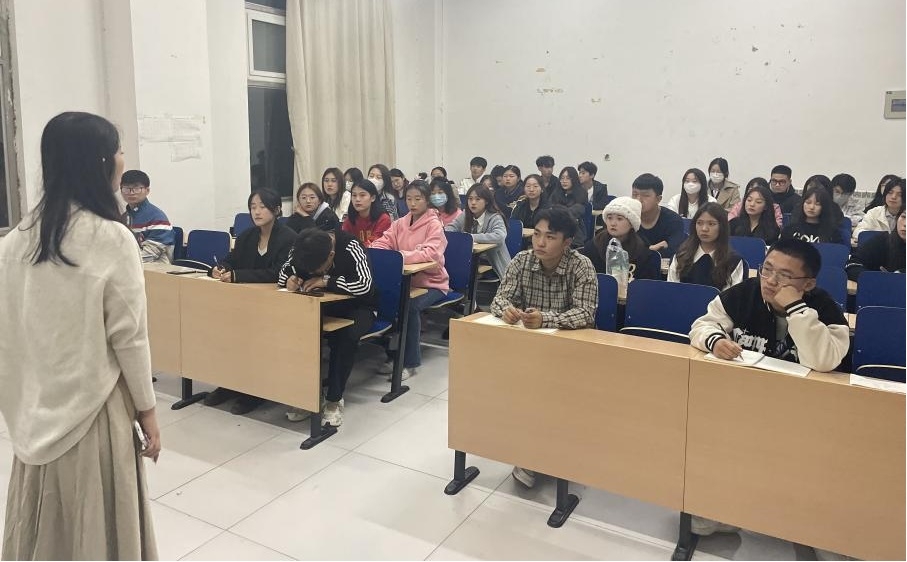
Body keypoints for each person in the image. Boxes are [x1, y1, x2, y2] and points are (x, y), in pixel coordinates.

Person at [0, 111, 159, 559]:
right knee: (96, 527)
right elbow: (130, 339)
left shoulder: (15, 241)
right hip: (94, 413)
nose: (124, 160)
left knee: (43, 526)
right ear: (101, 161)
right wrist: (148, 410)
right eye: (119, 151)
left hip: (35, 410)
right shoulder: (112, 239)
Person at [688, 238, 849, 538]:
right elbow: (702, 325)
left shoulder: (825, 308)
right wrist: (715, 340)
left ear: (808, 283)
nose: (771, 281)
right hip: (746, 402)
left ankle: (807, 521)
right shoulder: (743, 294)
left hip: (804, 411)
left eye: (785, 276)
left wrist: (796, 308)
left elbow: (824, 360)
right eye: (767, 269)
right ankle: (723, 507)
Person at [491, 206, 598, 489]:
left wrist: (546, 319)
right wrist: (507, 311)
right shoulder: (522, 260)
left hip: (570, 352)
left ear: (567, 242)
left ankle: (542, 455)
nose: (540, 242)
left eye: (550, 237)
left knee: (552, 396)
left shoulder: (581, 265)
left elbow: (585, 314)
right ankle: (529, 452)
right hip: (529, 349)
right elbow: (499, 299)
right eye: (537, 234)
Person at [204, 188, 296, 415]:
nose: (257, 212)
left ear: (276, 209)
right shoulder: (247, 236)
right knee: (227, 334)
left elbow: (278, 273)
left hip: (274, 304)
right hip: (245, 301)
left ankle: (254, 391)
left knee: (256, 338)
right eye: (253, 207)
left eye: (262, 207)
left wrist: (238, 275)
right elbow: (230, 260)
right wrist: (219, 268)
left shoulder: (288, 237)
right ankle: (229, 384)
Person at [278, 228, 377, 426]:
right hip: (319, 305)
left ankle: (334, 399)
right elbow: (282, 273)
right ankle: (308, 396)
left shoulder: (351, 246)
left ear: (331, 255)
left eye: (319, 268)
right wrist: (290, 280)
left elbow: (365, 285)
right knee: (296, 332)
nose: (314, 272)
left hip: (358, 306)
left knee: (345, 337)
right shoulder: (304, 244)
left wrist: (326, 280)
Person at [371, 180, 450, 380]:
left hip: (432, 283)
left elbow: (431, 254)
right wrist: (376, 251)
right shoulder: (400, 223)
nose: (412, 203)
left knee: (410, 307)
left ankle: (410, 362)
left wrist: (400, 257)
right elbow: (384, 241)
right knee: (387, 301)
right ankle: (393, 355)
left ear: (427, 200)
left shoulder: (434, 224)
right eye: (409, 199)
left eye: (418, 199)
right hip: (405, 282)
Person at [581, 196, 660, 280]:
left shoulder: (643, 252)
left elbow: (647, 284)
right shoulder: (594, 246)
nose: (613, 223)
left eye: (619, 219)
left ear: (631, 223)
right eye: (609, 218)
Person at [668, 203, 744, 290]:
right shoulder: (681, 257)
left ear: (722, 227)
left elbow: (731, 296)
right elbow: (672, 291)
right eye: (699, 223)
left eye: (711, 224)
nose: (704, 229)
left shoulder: (733, 262)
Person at [445, 183, 511, 279]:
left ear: (486, 201)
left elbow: (499, 236)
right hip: (470, 259)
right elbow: (452, 227)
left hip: (492, 263)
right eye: (470, 199)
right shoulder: (466, 214)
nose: (473, 203)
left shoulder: (495, 217)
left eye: (478, 199)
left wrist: (470, 237)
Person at [121, 169, 175, 263]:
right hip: (130, 265)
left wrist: (119, 261)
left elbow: (150, 254)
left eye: (137, 188)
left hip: (155, 268)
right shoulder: (123, 218)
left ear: (147, 190)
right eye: (126, 188)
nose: (131, 192)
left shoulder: (158, 218)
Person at [631, 173, 686, 259]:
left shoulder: (673, 220)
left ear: (658, 199)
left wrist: (644, 251)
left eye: (645, 196)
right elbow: (624, 250)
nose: (638, 200)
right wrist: (651, 249)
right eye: (635, 195)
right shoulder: (628, 218)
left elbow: (674, 252)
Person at [845, 210, 905, 280]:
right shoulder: (882, 241)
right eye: (903, 216)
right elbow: (853, 265)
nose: (905, 224)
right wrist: (877, 278)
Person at [341, 178, 392, 246]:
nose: (357, 199)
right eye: (354, 195)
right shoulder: (349, 219)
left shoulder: (383, 219)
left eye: (362, 195)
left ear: (373, 198)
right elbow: (344, 242)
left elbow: (376, 244)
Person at [853, 177, 904, 244]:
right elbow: (858, 233)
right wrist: (882, 238)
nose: (893, 197)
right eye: (890, 192)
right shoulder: (874, 212)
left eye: (899, 194)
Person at [548, 166, 589, 243]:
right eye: (562, 178)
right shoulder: (556, 193)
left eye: (568, 178)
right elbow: (549, 209)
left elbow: (573, 212)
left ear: (574, 179)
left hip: (574, 233)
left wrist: (557, 209)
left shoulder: (581, 194)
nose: (564, 181)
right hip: (555, 230)